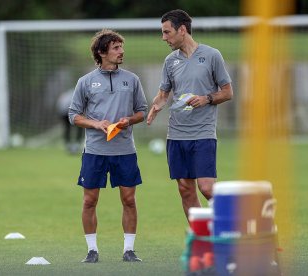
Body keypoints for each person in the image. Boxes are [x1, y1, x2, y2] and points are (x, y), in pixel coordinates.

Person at [69, 29, 148, 263]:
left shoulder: (132, 79)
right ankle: (92, 250)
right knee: (89, 201)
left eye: (121, 47)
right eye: (116, 48)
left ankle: (129, 250)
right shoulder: (85, 82)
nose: (121, 51)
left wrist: (128, 120)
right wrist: (95, 124)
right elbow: (73, 115)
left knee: (129, 199)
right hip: (94, 152)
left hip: (125, 151)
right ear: (102, 52)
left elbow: (142, 112)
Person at [147, 9, 233, 220]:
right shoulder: (170, 61)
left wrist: (206, 99)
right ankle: (202, 240)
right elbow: (163, 94)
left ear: (182, 30)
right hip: (176, 135)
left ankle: (233, 227)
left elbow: (228, 92)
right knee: (186, 189)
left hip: (203, 133)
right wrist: (156, 105)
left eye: (167, 32)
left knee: (207, 187)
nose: (164, 37)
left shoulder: (212, 55)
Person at [56, 88, 84, 154]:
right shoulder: (79, 94)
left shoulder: (66, 94)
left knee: (67, 128)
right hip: (69, 112)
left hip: (64, 112)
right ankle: (76, 144)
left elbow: (60, 104)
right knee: (79, 127)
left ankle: (69, 144)